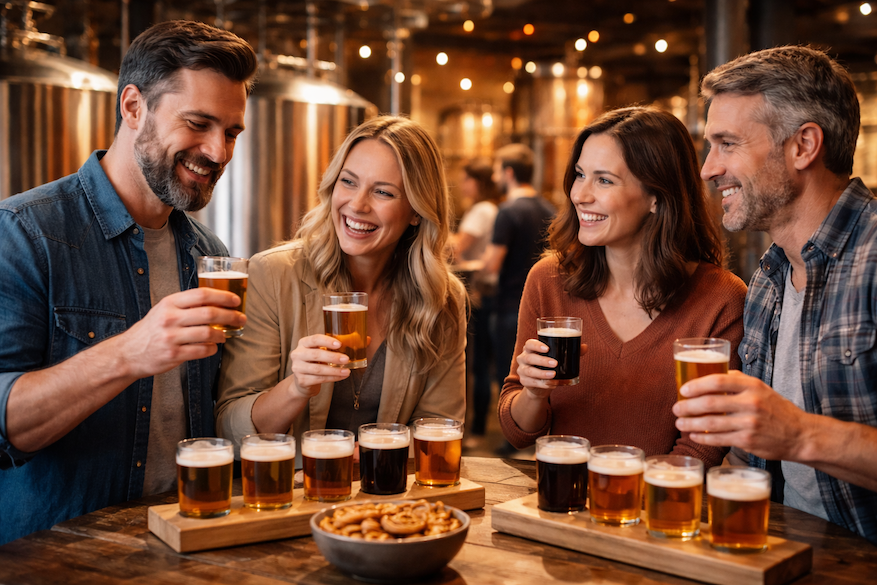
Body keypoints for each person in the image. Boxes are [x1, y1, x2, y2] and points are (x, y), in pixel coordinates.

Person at [0, 21, 258, 544]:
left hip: (184, 543)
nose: (219, 153)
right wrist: (130, 353)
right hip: (62, 559)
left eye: (231, 132)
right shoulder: (26, 232)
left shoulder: (209, 255)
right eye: (198, 123)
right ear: (133, 106)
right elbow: (7, 427)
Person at [676, 46, 877, 543]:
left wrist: (800, 434)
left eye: (727, 143)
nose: (707, 169)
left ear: (803, 145)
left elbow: (785, 433)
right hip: (782, 553)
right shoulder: (768, 278)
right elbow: (754, 458)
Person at [498, 107, 746, 468]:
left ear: (656, 196)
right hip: (559, 501)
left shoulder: (720, 299)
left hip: (654, 509)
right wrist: (533, 393)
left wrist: (615, 500)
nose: (580, 195)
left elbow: (701, 449)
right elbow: (517, 432)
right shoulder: (549, 278)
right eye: (580, 175)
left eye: (604, 180)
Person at [215, 116, 467, 452]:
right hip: (289, 497)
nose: (357, 205)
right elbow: (230, 427)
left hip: (389, 498)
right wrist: (298, 387)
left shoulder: (442, 299)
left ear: (416, 211)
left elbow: (439, 430)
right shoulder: (273, 275)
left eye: (382, 192)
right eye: (348, 182)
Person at [482, 143, 555, 444]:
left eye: (498, 169)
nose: (495, 176)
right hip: (544, 305)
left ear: (509, 173)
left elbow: (491, 265)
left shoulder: (508, 211)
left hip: (510, 302)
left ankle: (509, 438)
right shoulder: (548, 208)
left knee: (509, 378)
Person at [451, 159, 502, 445]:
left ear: (476, 182)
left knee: (476, 364)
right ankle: (477, 429)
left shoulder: (481, 210)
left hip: (476, 294)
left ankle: (475, 430)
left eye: (466, 179)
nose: (463, 185)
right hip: (485, 294)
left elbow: (458, 248)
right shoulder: (492, 208)